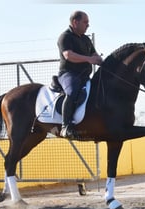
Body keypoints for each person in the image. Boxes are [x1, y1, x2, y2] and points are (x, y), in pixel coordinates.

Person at [57, 10, 103, 139]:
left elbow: (94, 55)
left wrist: (102, 62)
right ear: (75, 22)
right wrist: (89, 59)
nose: (88, 25)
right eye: (85, 22)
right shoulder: (65, 37)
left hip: (84, 76)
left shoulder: (86, 39)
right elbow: (68, 55)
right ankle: (65, 127)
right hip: (68, 74)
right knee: (72, 91)